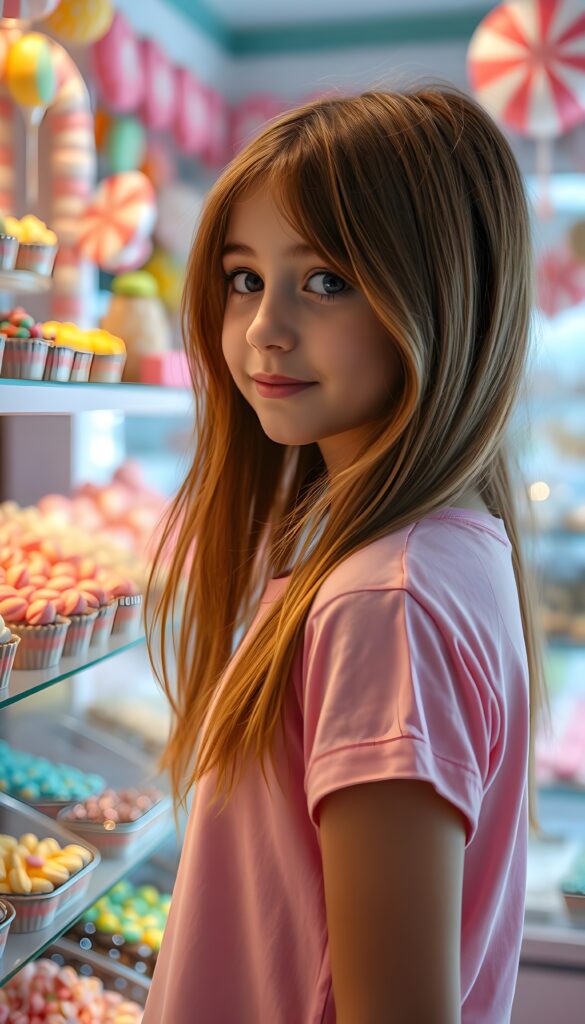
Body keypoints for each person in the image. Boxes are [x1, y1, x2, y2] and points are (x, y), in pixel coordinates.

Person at [143, 85, 547, 1024]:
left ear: (441, 295)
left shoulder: (382, 601)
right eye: (244, 277)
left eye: (325, 280)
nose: (261, 330)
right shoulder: (440, 549)